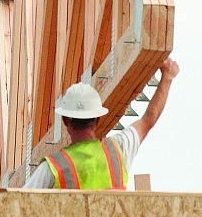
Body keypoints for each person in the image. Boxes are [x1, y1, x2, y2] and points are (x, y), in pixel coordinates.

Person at [24, 57, 179, 189]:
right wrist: (167, 77)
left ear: (65, 120)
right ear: (97, 119)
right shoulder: (118, 149)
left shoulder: (53, 168)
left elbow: (18, 205)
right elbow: (148, 120)